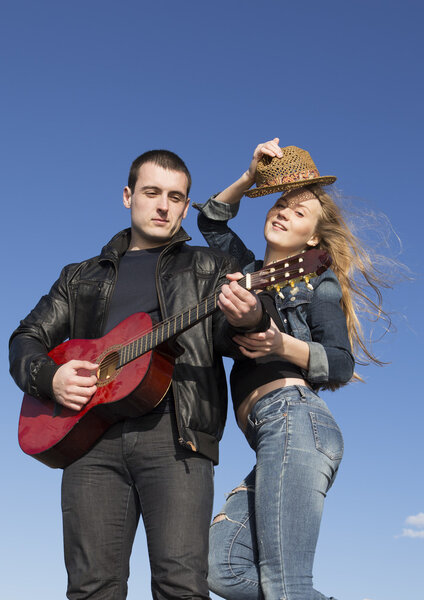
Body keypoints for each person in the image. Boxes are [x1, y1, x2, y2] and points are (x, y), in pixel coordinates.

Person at [9, 149, 267, 600]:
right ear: (128, 196)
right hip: (88, 440)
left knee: (181, 586)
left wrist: (249, 318)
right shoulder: (79, 277)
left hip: (177, 436)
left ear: (187, 206)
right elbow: (26, 337)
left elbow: (231, 339)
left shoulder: (213, 269)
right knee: (91, 588)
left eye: (176, 197)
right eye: (152, 193)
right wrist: (49, 377)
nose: (163, 205)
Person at [195, 139, 389, 600]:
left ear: (315, 238)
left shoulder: (318, 283)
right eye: (280, 204)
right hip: (268, 434)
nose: (283, 213)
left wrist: (283, 344)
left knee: (286, 584)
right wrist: (250, 176)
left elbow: (340, 363)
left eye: (298, 212)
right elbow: (211, 219)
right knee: (221, 570)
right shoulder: (245, 271)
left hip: (295, 419)